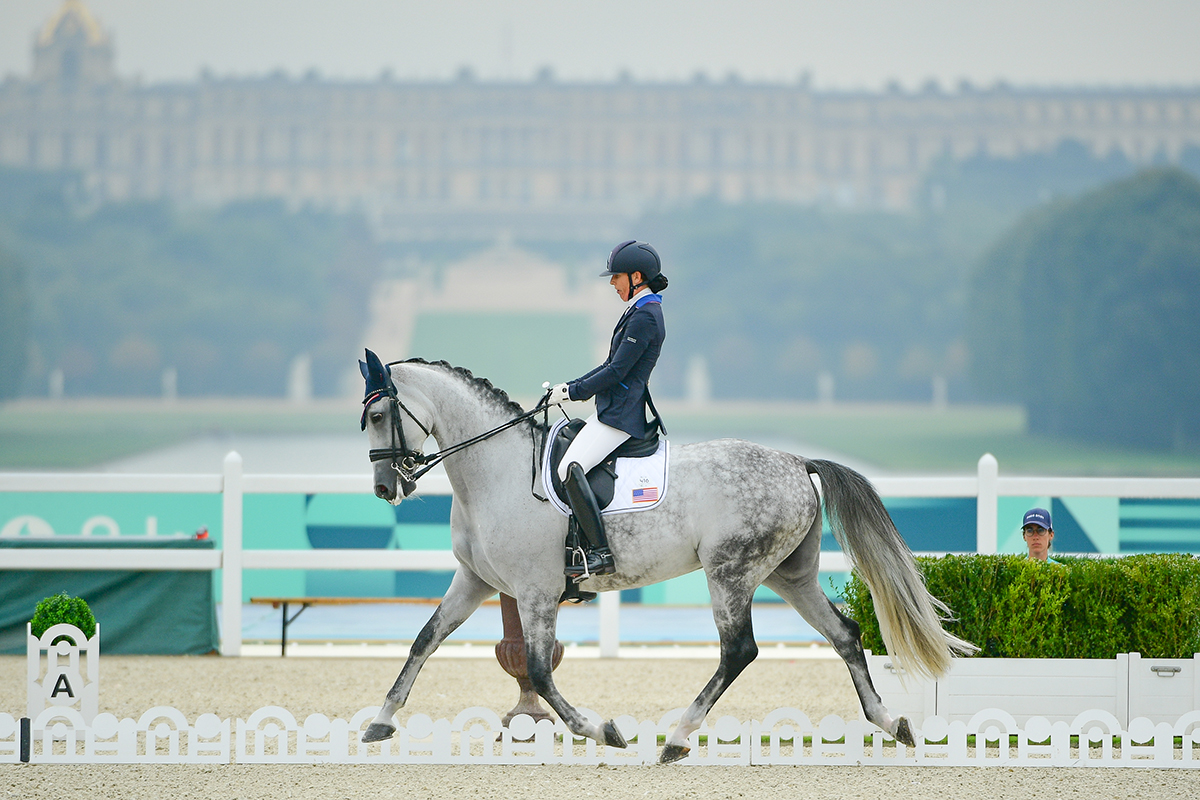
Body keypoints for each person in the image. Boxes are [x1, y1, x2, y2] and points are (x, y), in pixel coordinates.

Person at [549, 240, 668, 578]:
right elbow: (608, 364)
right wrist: (568, 386)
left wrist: (573, 392)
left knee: (569, 468)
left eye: (616, 277)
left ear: (636, 276)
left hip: (620, 415)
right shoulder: (638, 310)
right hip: (610, 409)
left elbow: (617, 371)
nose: (612, 283)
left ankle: (600, 553)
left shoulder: (646, 316)